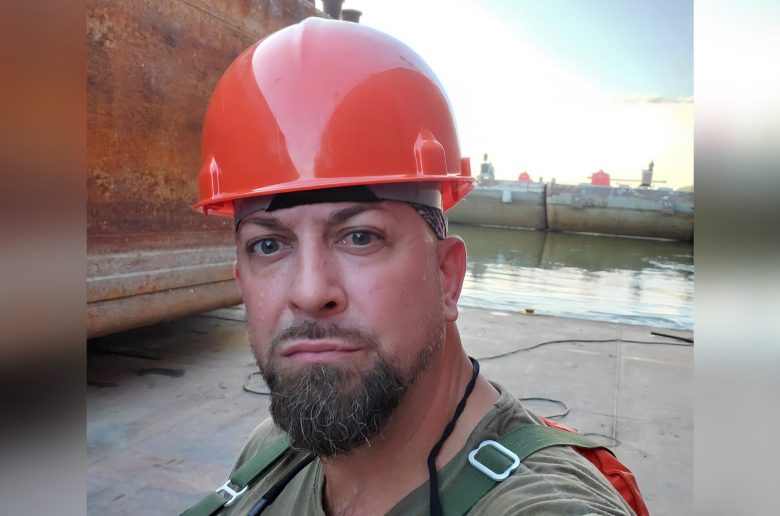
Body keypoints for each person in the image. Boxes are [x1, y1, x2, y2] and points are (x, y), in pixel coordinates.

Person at [184, 18, 636, 516]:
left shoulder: (541, 505)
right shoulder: (271, 450)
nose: (310, 292)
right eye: (269, 245)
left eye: (361, 237)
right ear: (241, 283)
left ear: (447, 277)